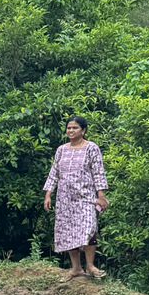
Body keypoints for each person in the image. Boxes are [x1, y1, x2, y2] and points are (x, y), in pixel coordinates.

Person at [43, 117, 110, 281]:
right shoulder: (61, 150)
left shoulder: (91, 148)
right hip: (65, 199)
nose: (71, 131)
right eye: (69, 128)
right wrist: (48, 194)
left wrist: (101, 195)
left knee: (89, 228)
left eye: (75, 128)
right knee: (68, 232)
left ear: (83, 130)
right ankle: (76, 268)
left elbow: (98, 172)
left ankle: (90, 265)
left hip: (86, 197)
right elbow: (54, 172)